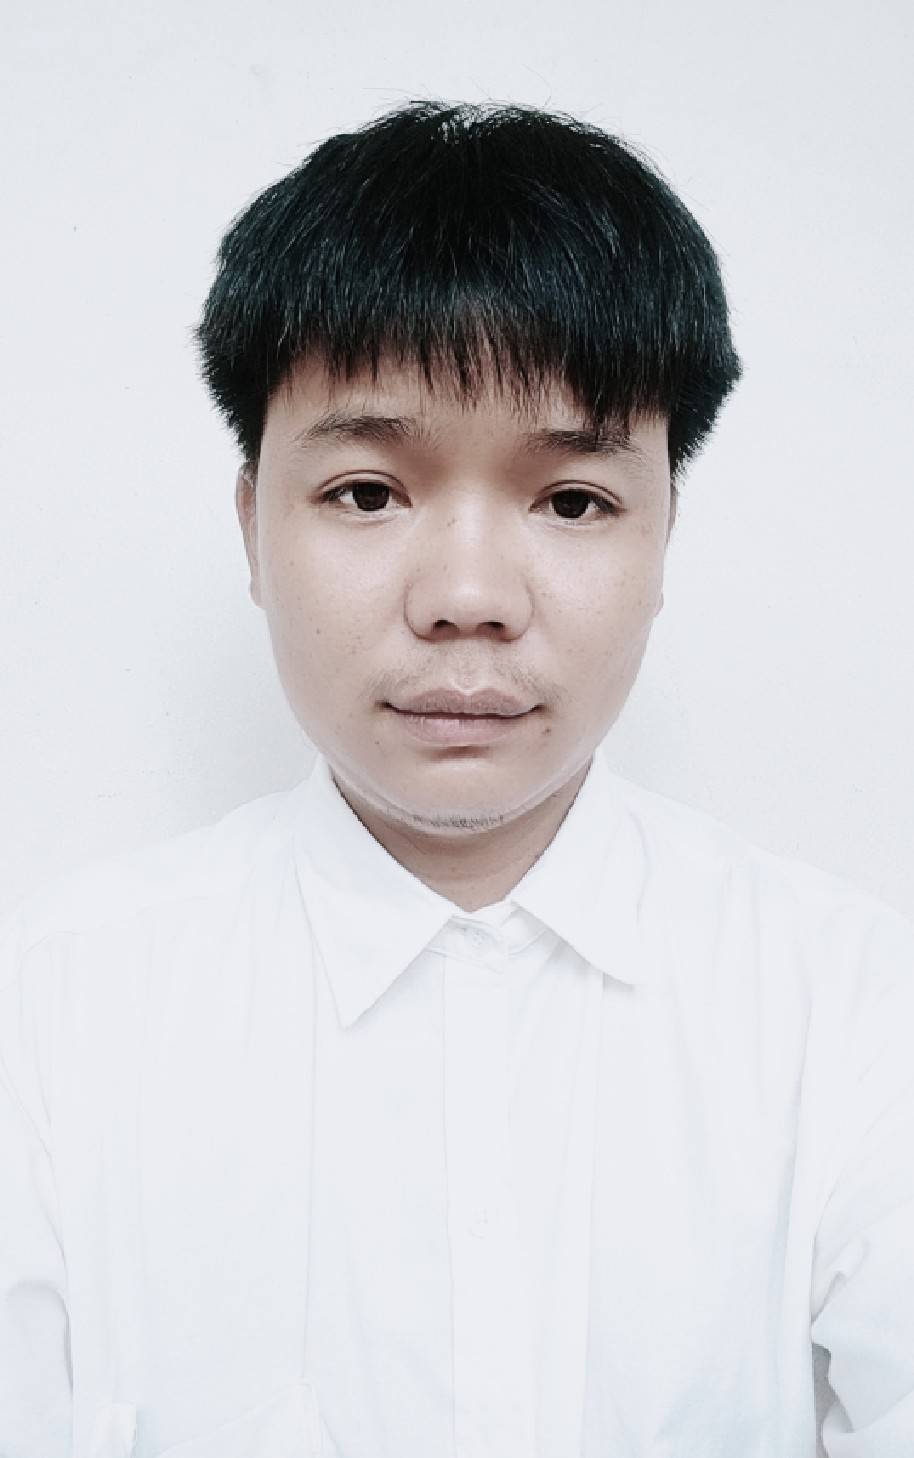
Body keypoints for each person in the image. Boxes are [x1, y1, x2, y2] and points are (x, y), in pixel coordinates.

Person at [1, 98, 912, 1458]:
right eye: (368, 492)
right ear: (252, 528)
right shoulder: (50, 1020)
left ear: (665, 535)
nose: (468, 595)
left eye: (572, 500)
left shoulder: (855, 1015)